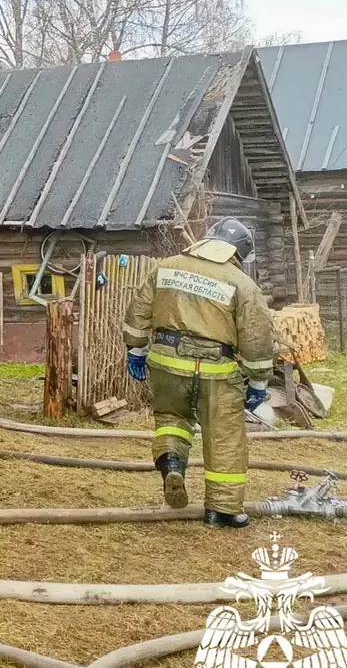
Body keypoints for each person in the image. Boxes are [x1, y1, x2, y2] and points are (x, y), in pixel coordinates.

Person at [122, 217, 275, 529]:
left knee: (171, 419)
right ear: (240, 252)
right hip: (216, 370)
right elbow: (256, 337)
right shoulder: (242, 284)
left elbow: (139, 310)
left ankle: (172, 465)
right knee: (224, 437)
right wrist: (259, 381)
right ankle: (222, 510)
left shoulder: (166, 267)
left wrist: (136, 350)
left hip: (166, 362)